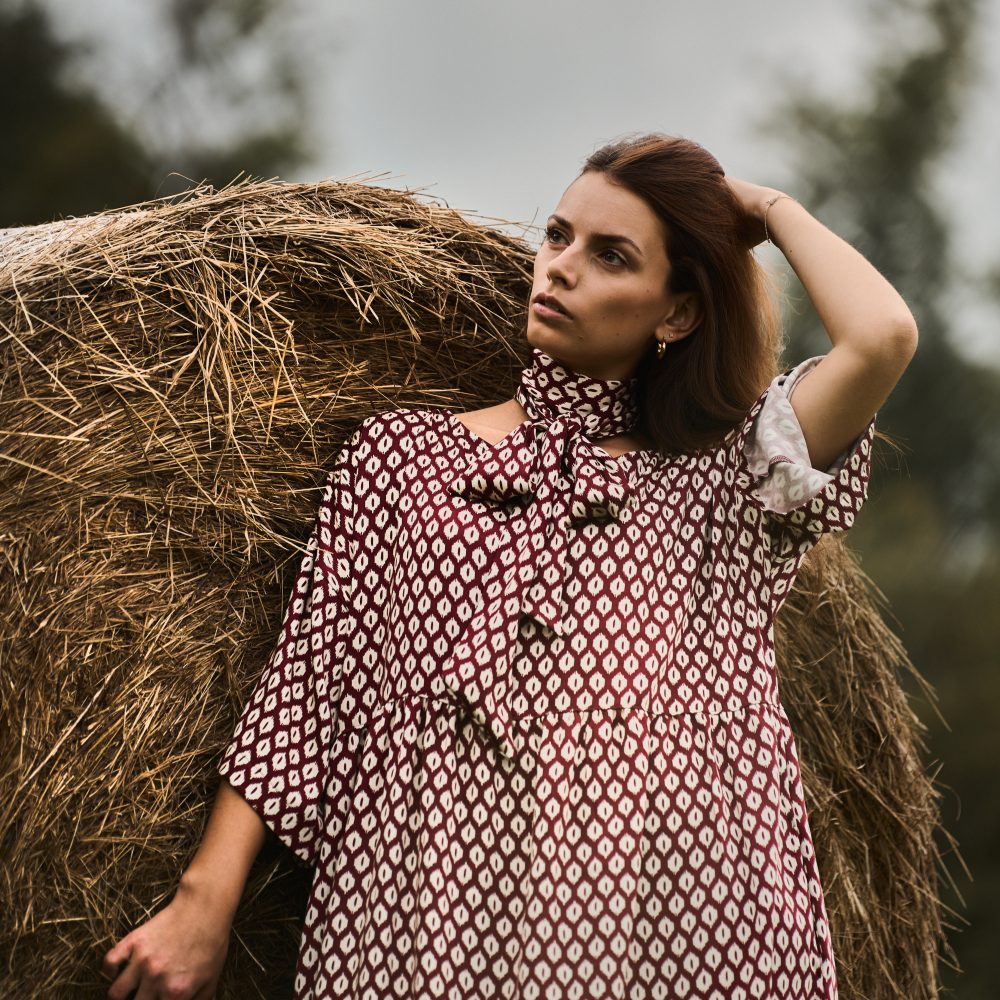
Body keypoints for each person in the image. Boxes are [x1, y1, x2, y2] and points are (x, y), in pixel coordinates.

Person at [102, 133, 917, 1000]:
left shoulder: (727, 485)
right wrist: (204, 904)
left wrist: (762, 208)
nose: (561, 267)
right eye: (558, 235)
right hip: (422, 919)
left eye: (611, 255)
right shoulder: (399, 457)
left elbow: (882, 337)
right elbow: (307, 690)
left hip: (676, 928)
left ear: (677, 314)